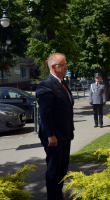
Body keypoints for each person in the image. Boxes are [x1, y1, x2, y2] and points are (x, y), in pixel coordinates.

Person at [36, 53, 74, 200]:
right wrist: (50, 135)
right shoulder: (46, 85)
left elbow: (67, 110)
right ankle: (53, 197)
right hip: (53, 137)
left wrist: (70, 130)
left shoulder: (62, 83)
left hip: (64, 135)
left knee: (62, 169)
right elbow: (45, 114)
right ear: (53, 66)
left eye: (65, 65)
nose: (66, 68)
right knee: (53, 171)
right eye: (63, 65)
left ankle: (59, 196)